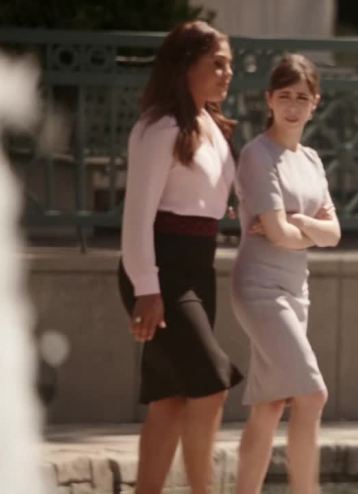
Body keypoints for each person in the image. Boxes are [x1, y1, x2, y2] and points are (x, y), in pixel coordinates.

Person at [118, 20, 243, 494]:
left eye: (229, 64)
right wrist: (146, 288)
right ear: (186, 65)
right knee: (211, 383)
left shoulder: (211, 124)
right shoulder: (158, 128)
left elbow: (213, 200)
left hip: (198, 268)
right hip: (160, 271)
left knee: (170, 398)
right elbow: (137, 217)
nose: (228, 73)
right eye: (218, 64)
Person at [231, 53, 341, 494]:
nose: (293, 106)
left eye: (302, 97)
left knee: (270, 404)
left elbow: (334, 233)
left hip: (297, 290)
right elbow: (275, 234)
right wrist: (306, 230)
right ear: (269, 99)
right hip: (260, 289)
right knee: (312, 395)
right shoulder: (257, 155)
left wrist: (300, 223)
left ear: (315, 103)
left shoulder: (311, 159)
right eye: (284, 96)